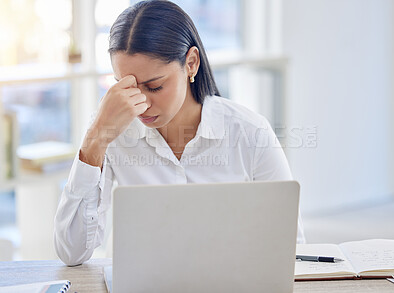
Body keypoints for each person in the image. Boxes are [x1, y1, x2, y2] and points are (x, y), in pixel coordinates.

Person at [54, 0, 305, 266]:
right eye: (126, 87)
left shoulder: (250, 132)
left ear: (191, 63)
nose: (141, 104)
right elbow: (72, 253)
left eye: (154, 86)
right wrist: (96, 139)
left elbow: (290, 248)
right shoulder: (113, 131)